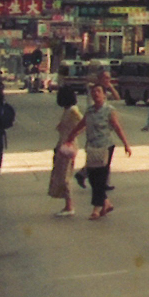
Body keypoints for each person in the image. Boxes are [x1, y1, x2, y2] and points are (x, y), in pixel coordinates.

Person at [69, 83, 131, 220]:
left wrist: (126, 144)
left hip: (105, 147)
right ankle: (106, 203)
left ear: (104, 94)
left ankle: (96, 209)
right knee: (92, 177)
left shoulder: (109, 110)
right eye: (93, 92)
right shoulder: (90, 111)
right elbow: (81, 124)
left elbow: (117, 127)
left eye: (98, 91)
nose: (96, 94)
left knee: (101, 178)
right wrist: (71, 136)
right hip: (91, 147)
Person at [49, 85, 83, 217]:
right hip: (63, 144)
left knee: (64, 176)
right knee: (62, 173)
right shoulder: (68, 110)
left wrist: (73, 136)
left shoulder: (73, 111)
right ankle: (67, 204)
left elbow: (83, 123)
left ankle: (69, 205)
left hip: (68, 146)